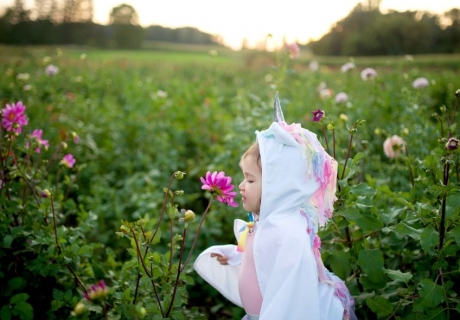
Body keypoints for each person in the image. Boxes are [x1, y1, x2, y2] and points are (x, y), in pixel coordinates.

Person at [194, 93, 356, 320]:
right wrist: (233, 256)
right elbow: (261, 256)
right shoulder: (263, 220)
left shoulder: (288, 233)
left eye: (250, 180)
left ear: (278, 187)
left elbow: (293, 296)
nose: (241, 186)